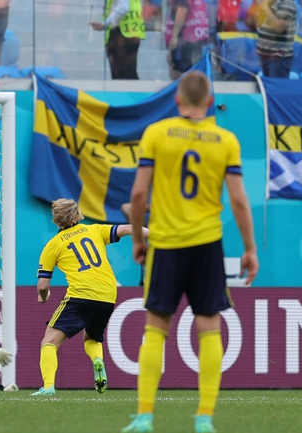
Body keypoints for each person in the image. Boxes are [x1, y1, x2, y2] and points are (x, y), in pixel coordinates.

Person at [122, 71, 258, 433]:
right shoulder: (225, 139)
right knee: (210, 328)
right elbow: (240, 201)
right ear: (210, 102)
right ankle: (204, 419)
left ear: (177, 100)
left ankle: (145, 416)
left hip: (165, 245)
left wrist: (137, 239)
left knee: (155, 329)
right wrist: (249, 249)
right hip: (207, 244)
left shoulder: (157, 133)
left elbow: (138, 195)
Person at [31, 198, 148, 396]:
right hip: (107, 295)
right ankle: (97, 360)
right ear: (78, 215)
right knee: (92, 337)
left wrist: (44, 296)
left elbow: (43, 285)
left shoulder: (53, 245)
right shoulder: (94, 230)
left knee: (49, 342)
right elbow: (129, 228)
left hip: (81, 294)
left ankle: (48, 386)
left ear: (56, 220)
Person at [90, 0, 146, 80]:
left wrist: (105, 23)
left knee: (123, 76)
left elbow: (123, 7)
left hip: (122, 34)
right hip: (131, 30)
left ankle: (131, 92)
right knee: (127, 74)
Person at [164, 0, 209, 80]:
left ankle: (180, 89)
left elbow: (181, 12)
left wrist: (174, 36)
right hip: (197, 38)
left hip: (185, 41)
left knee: (179, 72)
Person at [256, 0, 298, 78]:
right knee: (267, 88)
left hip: (279, 58)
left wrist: (265, 8)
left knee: (276, 88)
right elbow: (259, 25)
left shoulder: (288, 3)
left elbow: (279, 27)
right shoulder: (270, 3)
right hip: (265, 56)